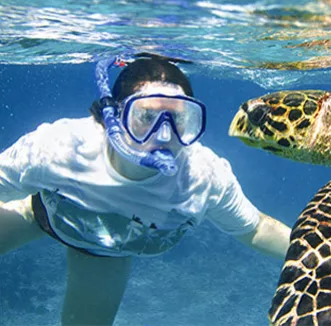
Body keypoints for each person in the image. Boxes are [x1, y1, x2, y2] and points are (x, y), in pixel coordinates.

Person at [0, 53, 292, 325]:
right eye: (146, 117)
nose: (164, 135)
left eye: (178, 119)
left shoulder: (203, 177)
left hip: (105, 255)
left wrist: (316, 255)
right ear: (113, 117)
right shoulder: (62, 147)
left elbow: (255, 229)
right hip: (41, 216)